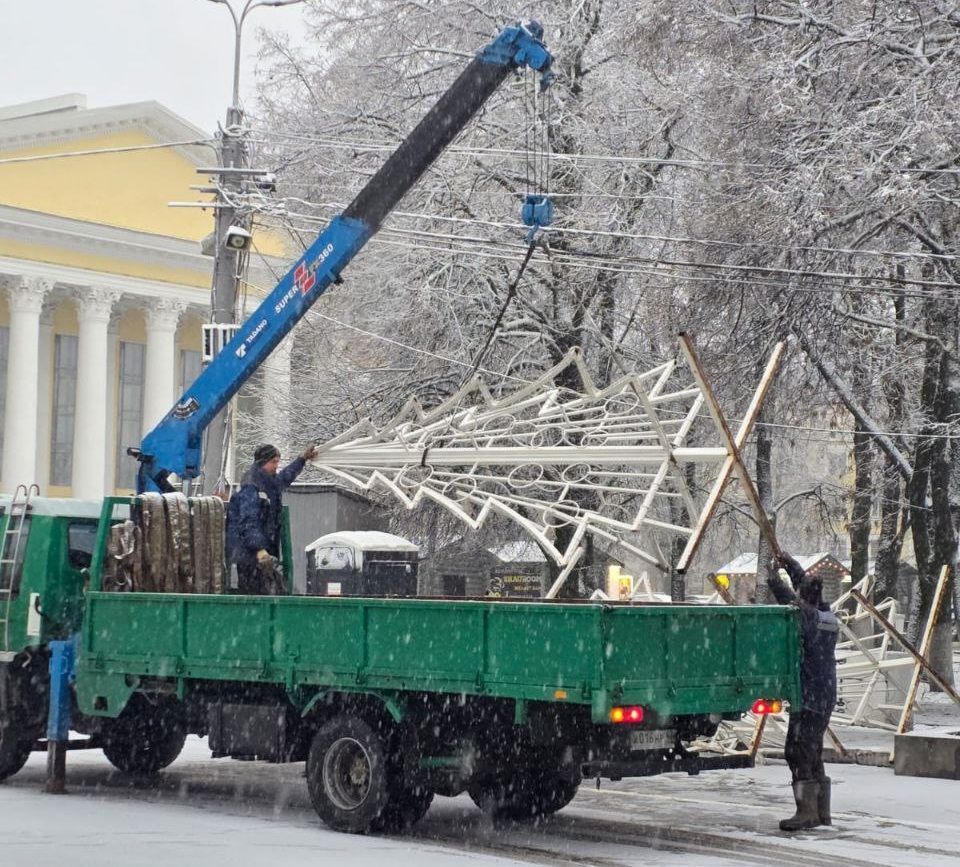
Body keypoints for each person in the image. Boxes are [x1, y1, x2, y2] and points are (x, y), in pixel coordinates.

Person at [767, 552, 839, 831]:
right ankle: (822, 812)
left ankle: (806, 812)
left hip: (809, 694)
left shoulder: (806, 618)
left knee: (796, 751)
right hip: (826, 692)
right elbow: (805, 590)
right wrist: (791, 565)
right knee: (813, 750)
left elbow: (791, 600)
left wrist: (774, 579)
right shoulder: (826, 615)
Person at [227, 443, 318, 594]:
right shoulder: (252, 487)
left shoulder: (267, 481)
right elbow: (248, 523)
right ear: (262, 462)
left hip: (264, 556)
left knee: (269, 593)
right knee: (257, 595)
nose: (277, 466)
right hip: (251, 558)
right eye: (274, 462)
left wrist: (301, 459)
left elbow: (284, 478)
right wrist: (259, 550)